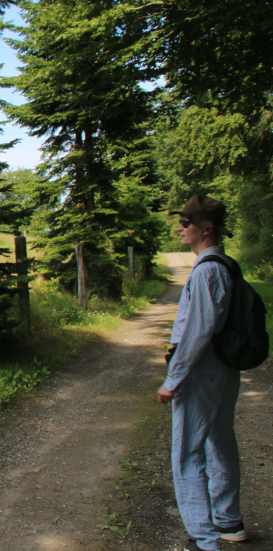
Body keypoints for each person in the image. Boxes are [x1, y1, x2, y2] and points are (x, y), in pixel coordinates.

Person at [158, 195, 246, 551]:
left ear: (206, 229)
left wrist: (173, 380)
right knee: (220, 441)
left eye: (186, 223)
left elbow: (197, 333)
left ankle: (204, 539)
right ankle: (228, 522)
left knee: (187, 453)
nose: (180, 228)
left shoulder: (207, 270)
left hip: (202, 373)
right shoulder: (224, 264)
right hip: (223, 370)